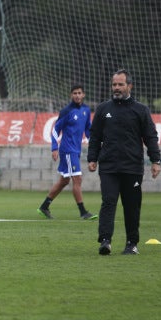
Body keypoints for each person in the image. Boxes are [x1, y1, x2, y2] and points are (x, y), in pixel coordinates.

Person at [87, 69, 161, 256]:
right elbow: (95, 136)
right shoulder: (104, 109)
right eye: (114, 84)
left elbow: (150, 136)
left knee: (131, 206)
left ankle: (131, 243)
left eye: (120, 84)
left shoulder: (141, 110)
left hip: (132, 167)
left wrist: (156, 160)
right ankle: (105, 240)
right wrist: (92, 158)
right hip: (109, 166)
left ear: (130, 86)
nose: (117, 88)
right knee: (108, 202)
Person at [37, 85, 98, 220]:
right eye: (74, 93)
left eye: (79, 93)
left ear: (83, 95)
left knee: (64, 181)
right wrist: (54, 148)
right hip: (67, 150)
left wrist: (93, 142)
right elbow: (55, 130)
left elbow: (88, 129)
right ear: (71, 95)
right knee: (77, 179)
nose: (77, 95)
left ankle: (44, 206)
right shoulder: (66, 111)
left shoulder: (86, 110)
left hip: (76, 150)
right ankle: (83, 212)